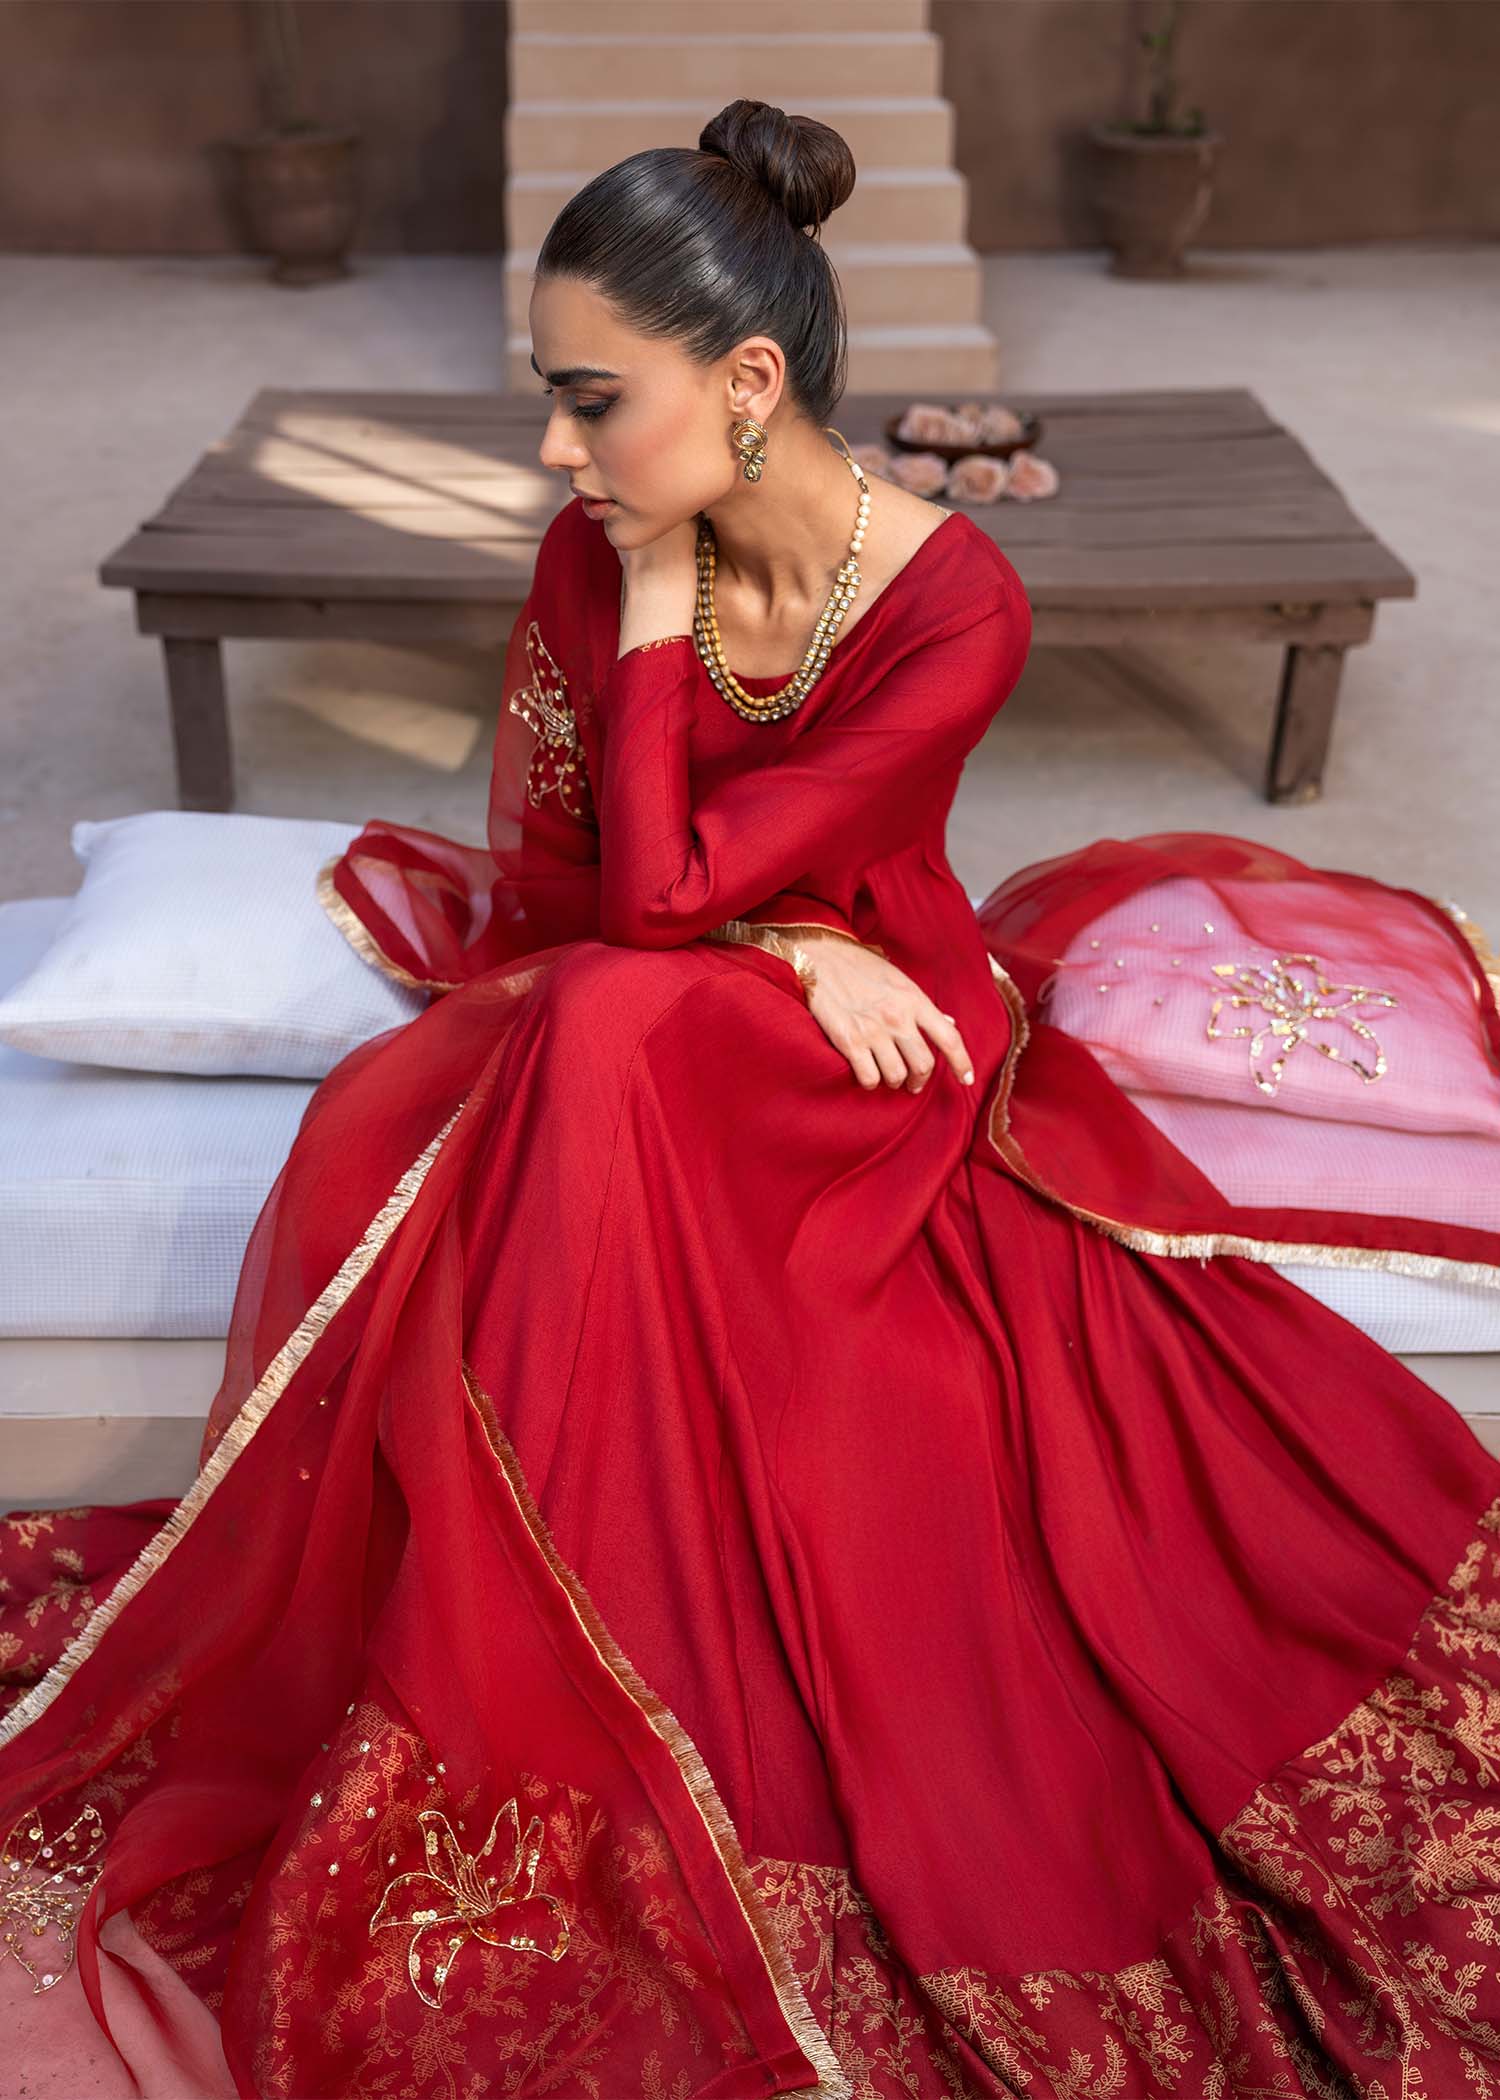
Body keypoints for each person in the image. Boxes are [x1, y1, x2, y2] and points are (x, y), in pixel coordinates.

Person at [4, 98, 1500, 2100]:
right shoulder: (598, 553)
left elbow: (667, 894)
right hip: (720, 979)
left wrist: (735, 852)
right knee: (455, 1081)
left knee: (617, 1032)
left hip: (885, 1044)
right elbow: (579, 886)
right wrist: (773, 916)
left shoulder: (959, 603)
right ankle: (529, 1606)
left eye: (590, 403)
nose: (560, 455)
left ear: (749, 383)